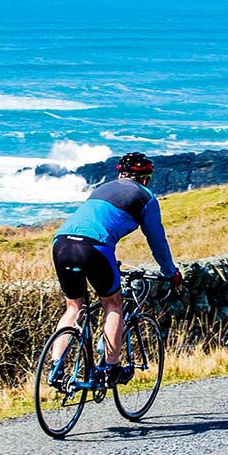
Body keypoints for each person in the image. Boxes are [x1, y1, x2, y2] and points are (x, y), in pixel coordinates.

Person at [50, 151, 183, 385]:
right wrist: (170, 272)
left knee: (74, 308)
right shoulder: (146, 197)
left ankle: (55, 369)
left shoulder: (102, 188)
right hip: (95, 248)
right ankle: (110, 368)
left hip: (61, 243)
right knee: (113, 304)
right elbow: (157, 240)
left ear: (121, 174)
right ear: (145, 179)